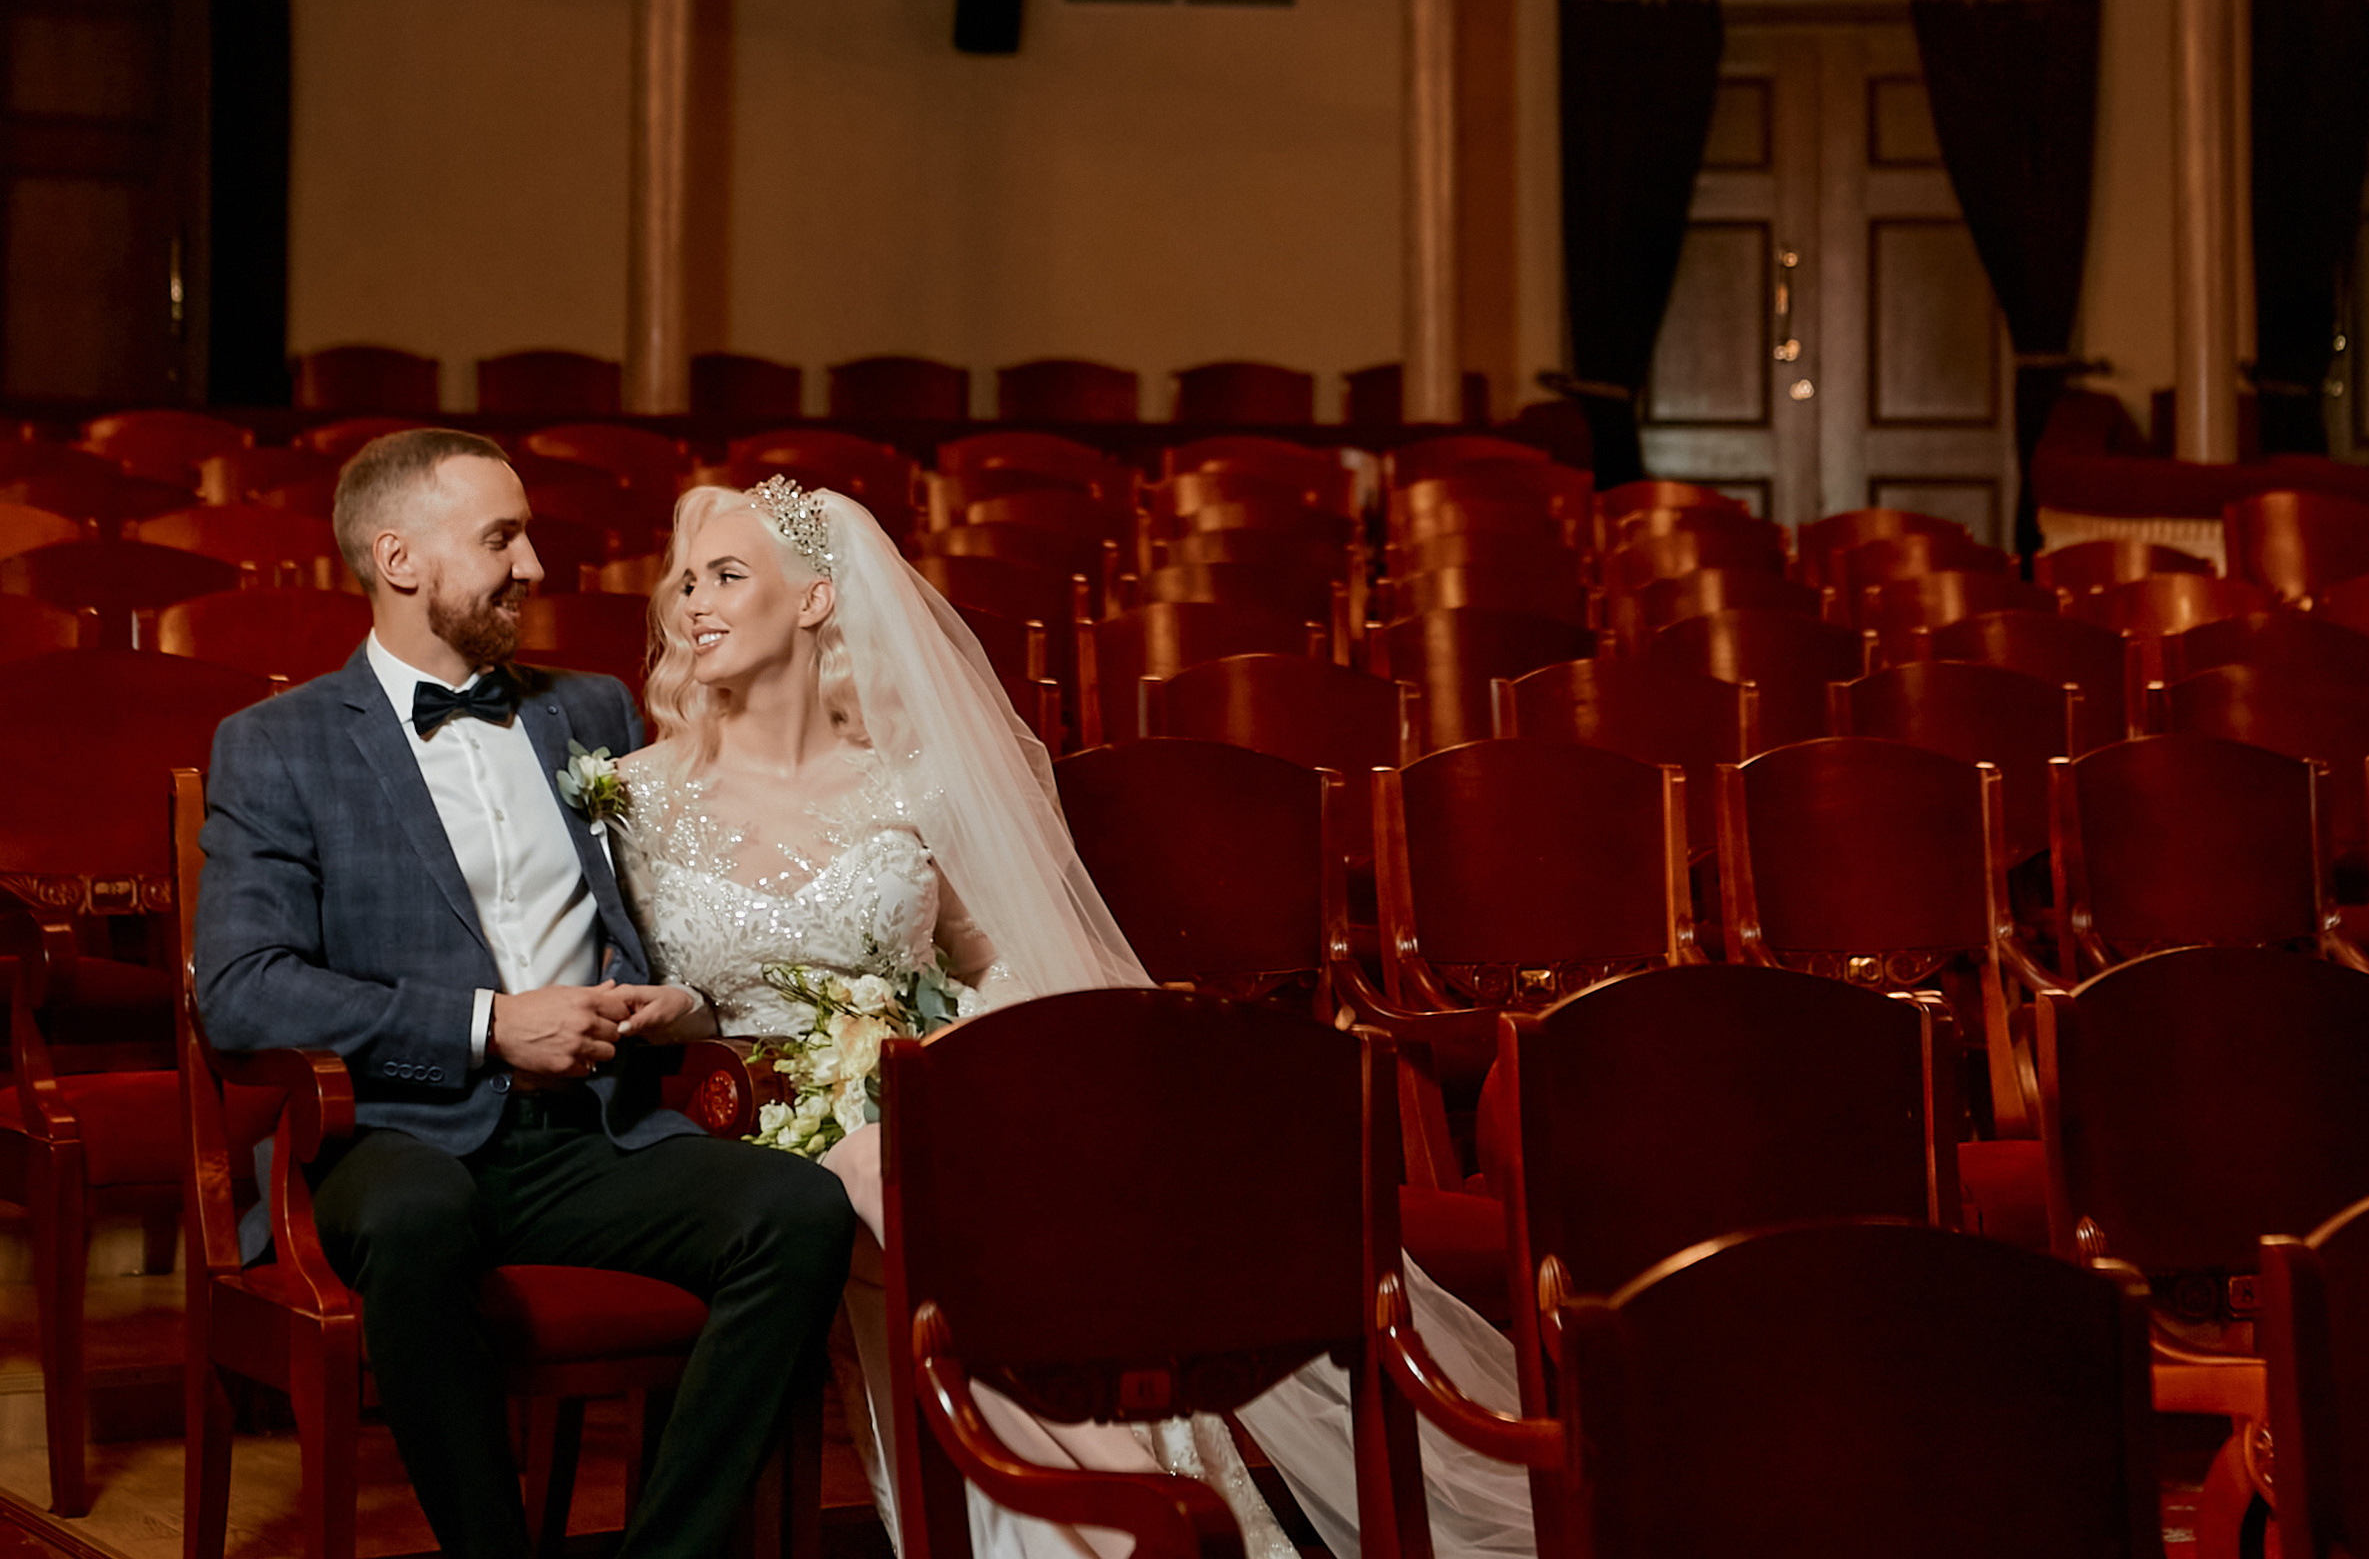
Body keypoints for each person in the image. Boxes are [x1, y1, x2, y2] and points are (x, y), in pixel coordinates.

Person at [612, 475, 1536, 1559]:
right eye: (685, 581)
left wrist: (976, 1063)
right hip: (750, 1127)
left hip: (935, 1092)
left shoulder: (904, 789)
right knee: (874, 1168)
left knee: (967, 1172)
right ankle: (1134, 1494)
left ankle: (1106, 1514)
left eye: (727, 575)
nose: (694, 604)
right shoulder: (631, 794)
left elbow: (990, 960)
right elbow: (613, 996)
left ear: (816, 599)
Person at [193, 429, 858, 1559]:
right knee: (418, 1218)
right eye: (501, 536)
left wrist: (653, 993)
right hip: (391, 1131)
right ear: (400, 559)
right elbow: (247, 992)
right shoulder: (278, 745)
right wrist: (486, 1026)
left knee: (797, 1213)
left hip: (588, 1129)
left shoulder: (587, 712)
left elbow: (680, 880)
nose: (536, 563)